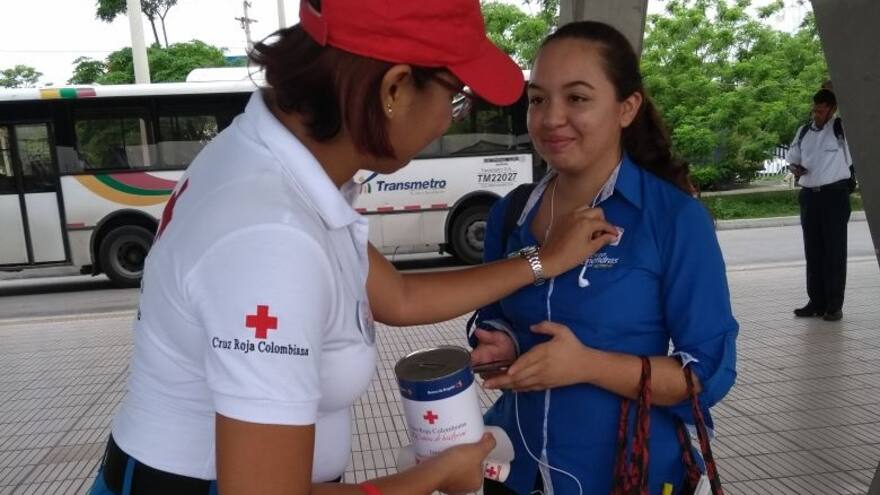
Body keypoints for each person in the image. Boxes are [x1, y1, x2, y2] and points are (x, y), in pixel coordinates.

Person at [86, 1, 620, 495]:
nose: (446, 121)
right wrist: (435, 474)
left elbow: (400, 297)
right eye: (455, 97)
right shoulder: (271, 238)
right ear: (394, 89)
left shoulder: (273, 158)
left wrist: (543, 260)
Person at [469, 21, 739, 494]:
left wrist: (588, 365)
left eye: (577, 98)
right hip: (515, 468)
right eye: (537, 99)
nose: (551, 118)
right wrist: (499, 342)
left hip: (627, 474)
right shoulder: (510, 213)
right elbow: (490, 313)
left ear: (626, 108)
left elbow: (706, 373)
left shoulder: (674, 219)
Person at [788, 89, 853, 322]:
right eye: (814, 109)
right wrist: (795, 167)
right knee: (813, 250)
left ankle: (834, 306)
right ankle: (816, 301)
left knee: (834, 251)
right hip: (809, 195)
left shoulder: (840, 129)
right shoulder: (804, 131)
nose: (816, 114)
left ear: (832, 109)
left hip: (834, 194)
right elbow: (792, 156)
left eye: (821, 110)